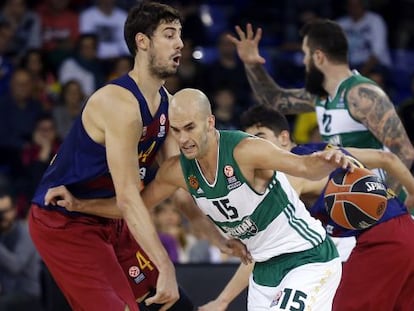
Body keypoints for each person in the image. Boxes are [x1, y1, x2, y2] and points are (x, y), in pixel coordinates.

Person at [46, 88, 357, 311]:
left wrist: (329, 159)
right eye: (177, 130)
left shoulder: (244, 151)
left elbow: (304, 166)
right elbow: (132, 206)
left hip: (307, 257)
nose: (183, 139)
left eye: (190, 127)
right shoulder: (177, 170)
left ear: (210, 122)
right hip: (263, 268)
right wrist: (79, 204)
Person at [28, 3, 249, 311]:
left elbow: (180, 186)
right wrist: (167, 266)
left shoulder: (167, 104)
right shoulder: (119, 104)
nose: (180, 44)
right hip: (66, 221)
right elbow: (130, 197)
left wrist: (218, 238)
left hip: (113, 217)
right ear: (142, 42)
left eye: (180, 35)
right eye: (169, 35)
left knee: (173, 306)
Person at [198, 105, 414, 311]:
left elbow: (264, 249)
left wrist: (223, 300)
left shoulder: (290, 175)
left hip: (382, 239)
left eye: (259, 138)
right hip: (405, 228)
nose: (253, 147)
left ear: (283, 138)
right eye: (248, 141)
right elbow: (387, 158)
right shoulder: (318, 152)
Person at [228, 20, 414, 192]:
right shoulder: (321, 96)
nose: (303, 61)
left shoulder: (361, 94)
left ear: (318, 57)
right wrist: (251, 64)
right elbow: (276, 101)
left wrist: (386, 198)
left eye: (305, 54)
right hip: (352, 199)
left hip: (380, 201)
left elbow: (404, 152)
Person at [0, 185, 43, 311]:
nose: (2, 217)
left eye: (5, 211)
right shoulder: (2, 234)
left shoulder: (25, 232)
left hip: (28, 293)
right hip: (7, 292)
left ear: (14, 210)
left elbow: (16, 266)